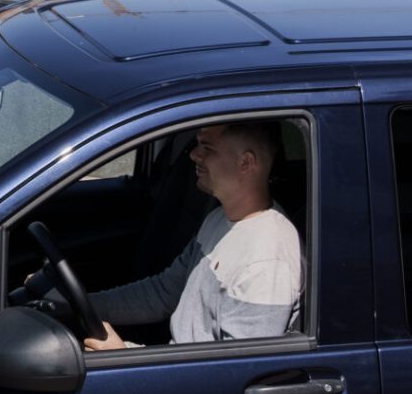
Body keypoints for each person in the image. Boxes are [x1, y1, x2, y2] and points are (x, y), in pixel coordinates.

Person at [84, 121, 302, 350]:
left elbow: (235, 372)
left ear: (245, 162)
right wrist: (81, 306)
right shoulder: (219, 218)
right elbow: (164, 293)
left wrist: (123, 358)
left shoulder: (266, 262)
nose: (194, 155)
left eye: (208, 148)